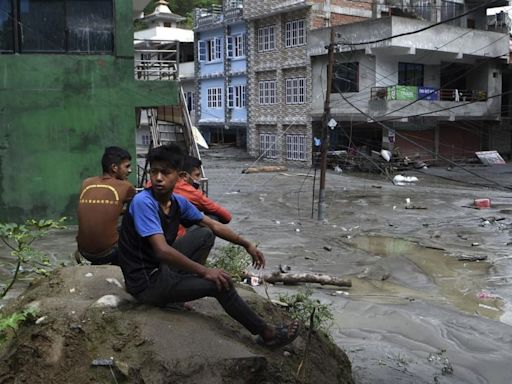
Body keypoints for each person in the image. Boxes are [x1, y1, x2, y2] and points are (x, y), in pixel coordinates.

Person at [118, 144, 299, 349]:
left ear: (179, 176)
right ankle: (268, 334)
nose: (158, 178)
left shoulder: (177, 202)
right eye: (154, 172)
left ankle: (179, 291)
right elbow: (162, 250)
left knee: (204, 234)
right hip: (145, 284)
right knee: (221, 284)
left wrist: (246, 243)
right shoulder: (144, 202)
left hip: (160, 269)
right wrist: (205, 272)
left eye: (166, 172)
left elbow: (213, 224)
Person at [76, 146, 136, 265]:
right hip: (108, 252)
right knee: (135, 229)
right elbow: (136, 213)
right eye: (127, 166)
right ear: (114, 167)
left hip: (83, 251)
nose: (130, 170)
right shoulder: (126, 187)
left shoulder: (86, 183)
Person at [175, 155, 232, 224]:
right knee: (212, 218)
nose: (199, 179)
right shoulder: (191, 193)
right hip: (179, 232)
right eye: (197, 175)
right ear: (184, 176)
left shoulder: (169, 185)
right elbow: (227, 217)